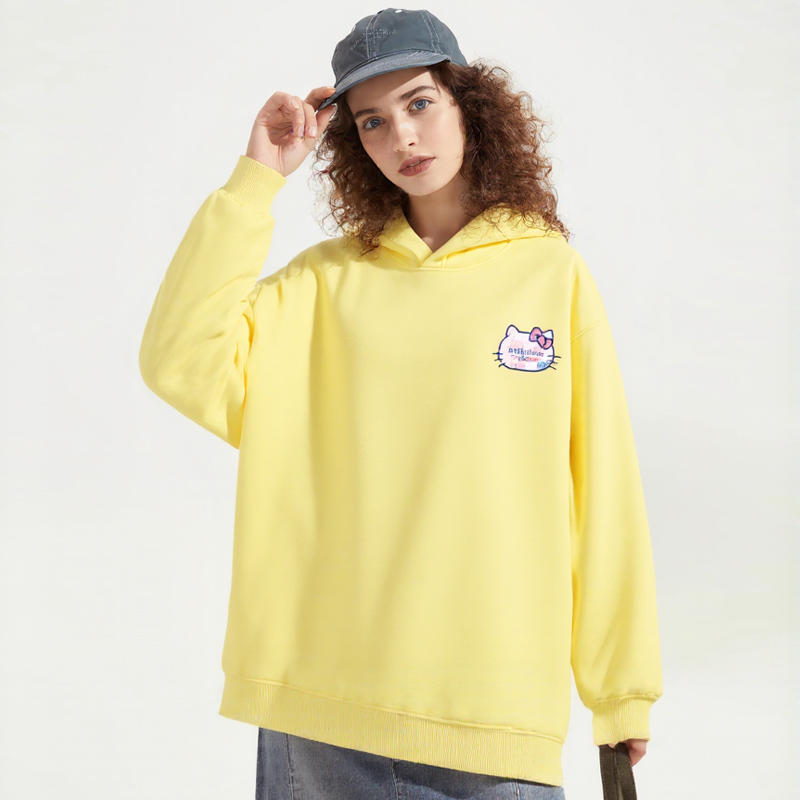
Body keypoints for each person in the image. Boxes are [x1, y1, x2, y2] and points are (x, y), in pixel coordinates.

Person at [138, 8, 663, 799]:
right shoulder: (321, 283)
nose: (403, 137)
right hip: (321, 711)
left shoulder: (549, 276)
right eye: (372, 121)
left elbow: (604, 492)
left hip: (494, 718)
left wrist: (620, 690)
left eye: (420, 103)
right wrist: (257, 180)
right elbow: (177, 357)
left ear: (469, 105)